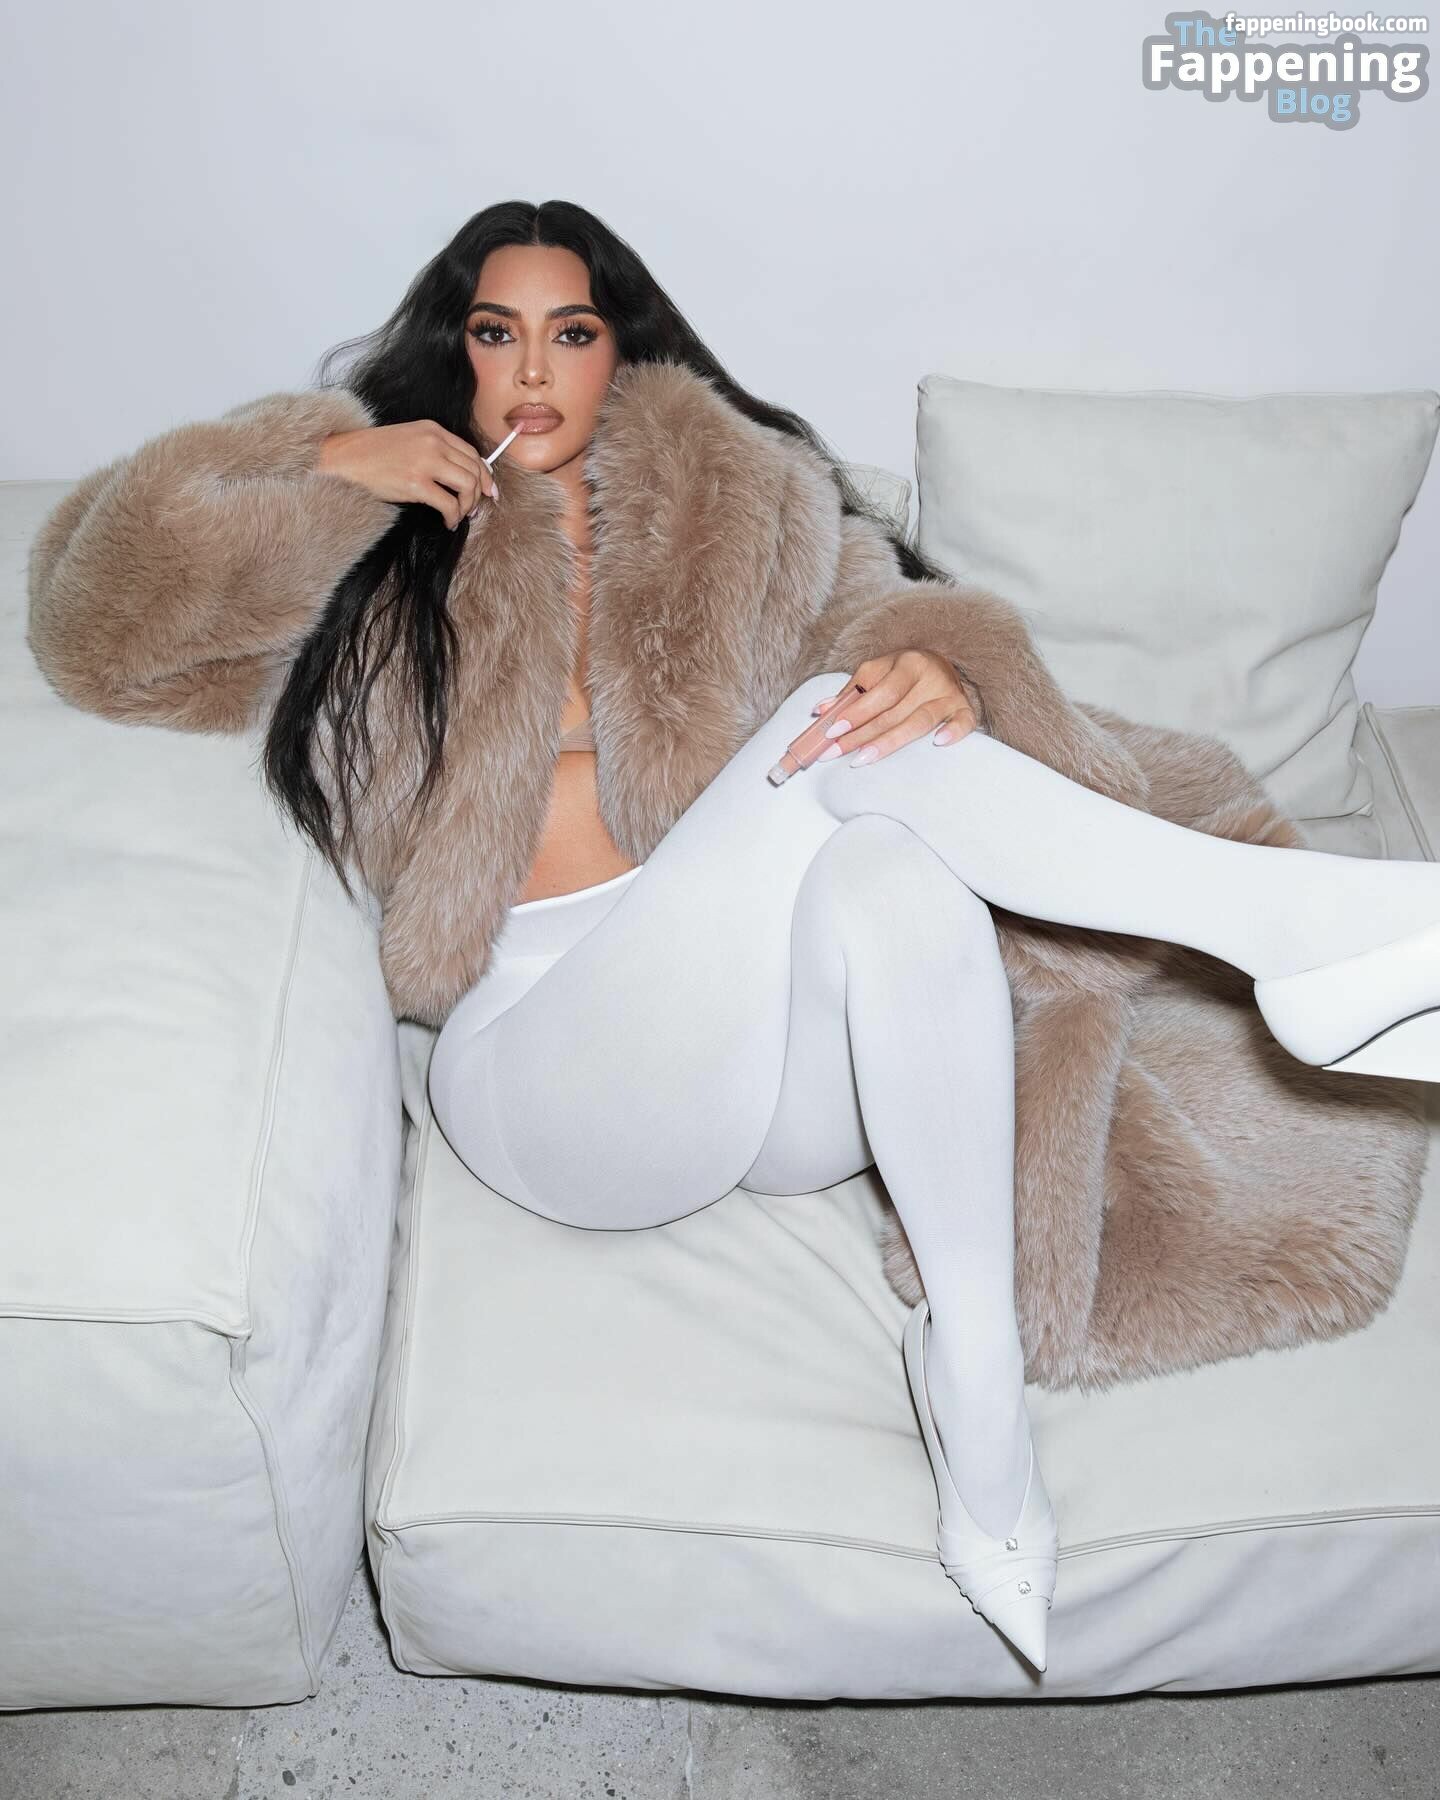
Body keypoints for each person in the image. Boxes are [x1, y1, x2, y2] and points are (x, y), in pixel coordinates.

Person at [27, 200, 1440, 1677]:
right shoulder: (378, 552)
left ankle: (972, 1358)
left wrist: (941, 678)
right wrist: (328, 469)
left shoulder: (746, 508)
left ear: (621, 350)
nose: (532, 370)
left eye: (571, 332)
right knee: (827, 740)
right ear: (456, 354)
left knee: (888, 853)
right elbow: (97, 630)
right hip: (545, 1066)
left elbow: (900, 639)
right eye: (495, 333)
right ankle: (1298, 943)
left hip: (774, 1065)